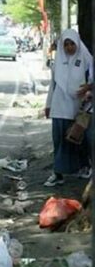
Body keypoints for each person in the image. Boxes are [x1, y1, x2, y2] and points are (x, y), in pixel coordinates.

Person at [44, 28, 93, 187]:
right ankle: (58, 174)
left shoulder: (86, 60)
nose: (70, 47)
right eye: (66, 44)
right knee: (58, 140)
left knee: (77, 140)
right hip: (59, 106)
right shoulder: (58, 61)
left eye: (72, 44)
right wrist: (48, 105)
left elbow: (91, 81)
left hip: (78, 107)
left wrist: (88, 89)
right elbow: (53, 85)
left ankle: (83, 168)